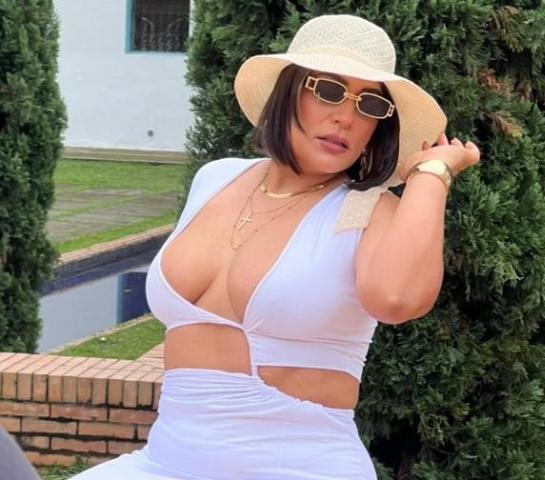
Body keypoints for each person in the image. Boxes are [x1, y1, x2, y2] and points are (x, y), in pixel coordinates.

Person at [70, 13, 480, 480]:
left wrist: (431, 174)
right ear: (287, 93)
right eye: (329, 91)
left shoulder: (367, 209)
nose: (346, 117)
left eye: (369, 104)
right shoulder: (215, 179)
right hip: (165, 463)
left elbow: (398, 299)